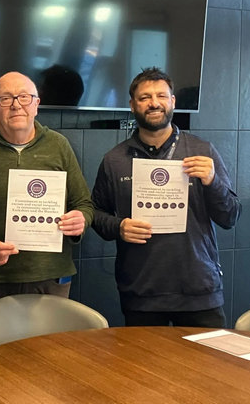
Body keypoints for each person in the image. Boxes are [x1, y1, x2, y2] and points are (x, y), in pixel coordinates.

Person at [91, 67, 241, 327]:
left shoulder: (202, 150)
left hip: (199, 291)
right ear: (132, 105)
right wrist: (119, 226)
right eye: (144, 97)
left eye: (161, 95)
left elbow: (230, 216)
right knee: (144, 369)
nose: (154, 103)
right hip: (142, 293)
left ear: (172, 101)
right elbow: (94, 213)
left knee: (205, 368)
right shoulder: (114, 159)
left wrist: (212, 182)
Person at [0, 71, 94, 312]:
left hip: (52, 277)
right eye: (5, 99)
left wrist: (81, 221)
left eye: (24, 97)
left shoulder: (59, 145)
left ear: (36, 105)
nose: (16, 105)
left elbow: (84, 203)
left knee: (51, 350)